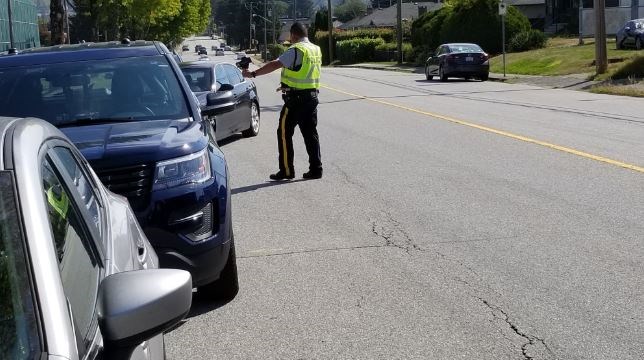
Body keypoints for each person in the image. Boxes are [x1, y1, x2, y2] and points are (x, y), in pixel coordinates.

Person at [242, 22, 323, 180]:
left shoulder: (296, 49)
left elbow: (275, 64)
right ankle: (316, 169)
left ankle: (286, 170)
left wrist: (253, 74)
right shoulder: (315, 49)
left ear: (293, 35)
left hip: (295, 100)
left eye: (290, 37)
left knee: (284, 133)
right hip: (312, 97)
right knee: (310, 134)